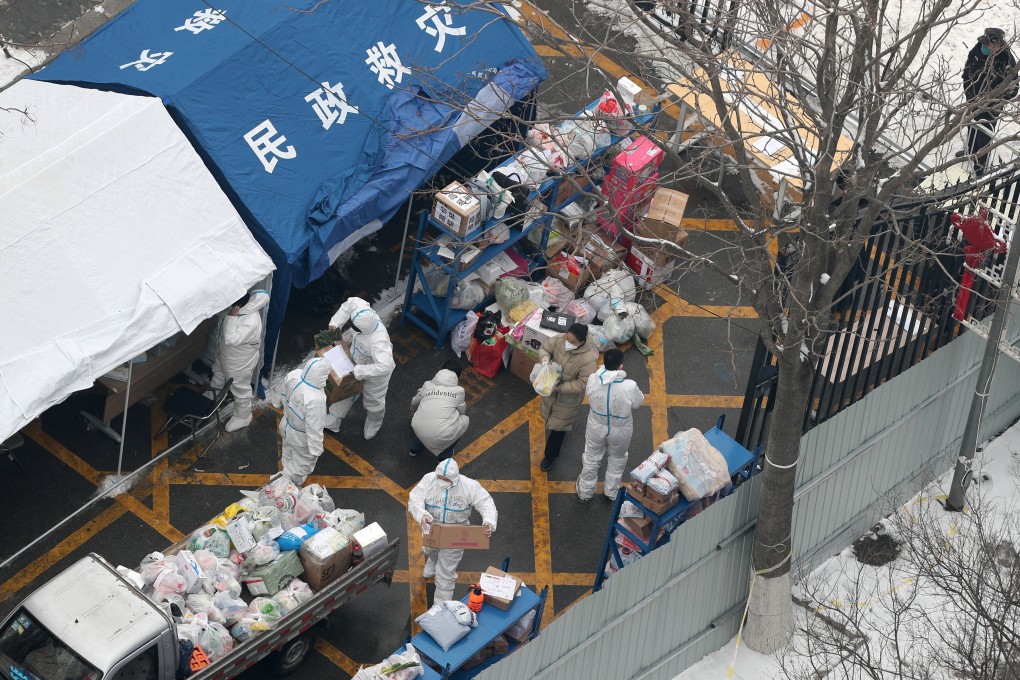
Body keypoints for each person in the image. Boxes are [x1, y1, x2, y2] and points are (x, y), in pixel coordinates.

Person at [408, 459, 497, 604]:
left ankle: (440, 606)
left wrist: (489, 521)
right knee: (429, 550)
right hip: (432, 529)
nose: (442, 481)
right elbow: (414, 499)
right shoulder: (428, 480)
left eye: (446, 479)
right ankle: (433, 561)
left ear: (455, 478)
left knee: (446, 574)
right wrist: (422, 514)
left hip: (455, 534)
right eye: (440, 478)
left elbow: (486, 503)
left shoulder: (469, 486)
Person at [575, 349, 645, 502]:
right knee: (617, 459)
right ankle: (611, 492)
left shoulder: (593, 378)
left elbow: (588, 393)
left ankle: (586, 492)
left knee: (591, 457)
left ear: (604, 362)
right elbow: (638, 403)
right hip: (621, 429)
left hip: (595, 425)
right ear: (621, 365)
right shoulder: (629, 386)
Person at [325, 297, 396, 439]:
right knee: (346, 391)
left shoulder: (379, 342)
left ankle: (374, 421)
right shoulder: (360, 308)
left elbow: (385, 366)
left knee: (373, 401)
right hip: (356, 359)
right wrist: (334, 325)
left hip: (375, 373)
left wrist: (359, 371)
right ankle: (332, 421)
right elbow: (349, 304)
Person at [537, 323, 597, 472]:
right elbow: (545, 348)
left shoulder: (588, 359)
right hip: (550, 389)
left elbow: (582, 383)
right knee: (549, 416)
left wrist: (558, 388)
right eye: (567, 339)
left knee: (558, 428)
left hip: (567, 400)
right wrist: (545, 359)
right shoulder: (559, 339)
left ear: (582, 342)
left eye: (573, 342)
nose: (568, 343)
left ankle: (550, 456)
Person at [961, 27, 1018, 176]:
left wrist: (995, 101)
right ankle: (970, 151)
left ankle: (980, 167)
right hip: (973, 100)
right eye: (985, 44)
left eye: (989, 45)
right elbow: (966, 74)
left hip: (991, 106)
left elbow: (1014, 88)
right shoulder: (976, 51)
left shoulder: (1007, 60)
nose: (986, 47)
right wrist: (970, 95)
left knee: (984, 134)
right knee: (971, 126)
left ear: (999, 45)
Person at [210, 289, 269, 432]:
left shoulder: (250, 321)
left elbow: (231, 338)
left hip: (239, 361)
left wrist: (231, 317)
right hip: (226, 353)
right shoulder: (239, 309)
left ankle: (243, 416)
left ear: (236, 306)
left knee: (239, 387)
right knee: (218, 372)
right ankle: (213, 394)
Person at [278, 357, 331, 485]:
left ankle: (286, 469)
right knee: (303, 463)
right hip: (300, 436)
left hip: (286, 424)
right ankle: (285, 482)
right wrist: (315, 451)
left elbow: (284, 396)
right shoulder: (315, 399)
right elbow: (314, 428)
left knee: (288, 450)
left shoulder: (294, 375)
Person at [410, 360, 469, 459]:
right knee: (464, 420)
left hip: (417, 426)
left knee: (424, 428)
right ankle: (444, 456)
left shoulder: (427, 385)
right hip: (442, 434)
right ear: (457, 376)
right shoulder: (459, 391)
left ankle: (413, 450)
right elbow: (462, 410)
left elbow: (415, 401)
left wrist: (412, 413)